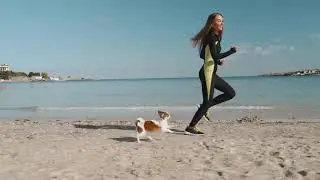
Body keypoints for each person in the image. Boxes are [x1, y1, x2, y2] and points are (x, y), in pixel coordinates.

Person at [185, 12, 238, 135]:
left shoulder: (215, 37)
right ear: (212, 23)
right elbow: (214, 55)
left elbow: (203, 55)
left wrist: (217, 62)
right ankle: (191, 126)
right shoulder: (211, 37)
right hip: (207, 73)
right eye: (219, 20)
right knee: (207, 101)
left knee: (230, 93)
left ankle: (205, 107)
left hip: (210, 73)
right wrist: (231, 51)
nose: (222, 23)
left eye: (222, 21)